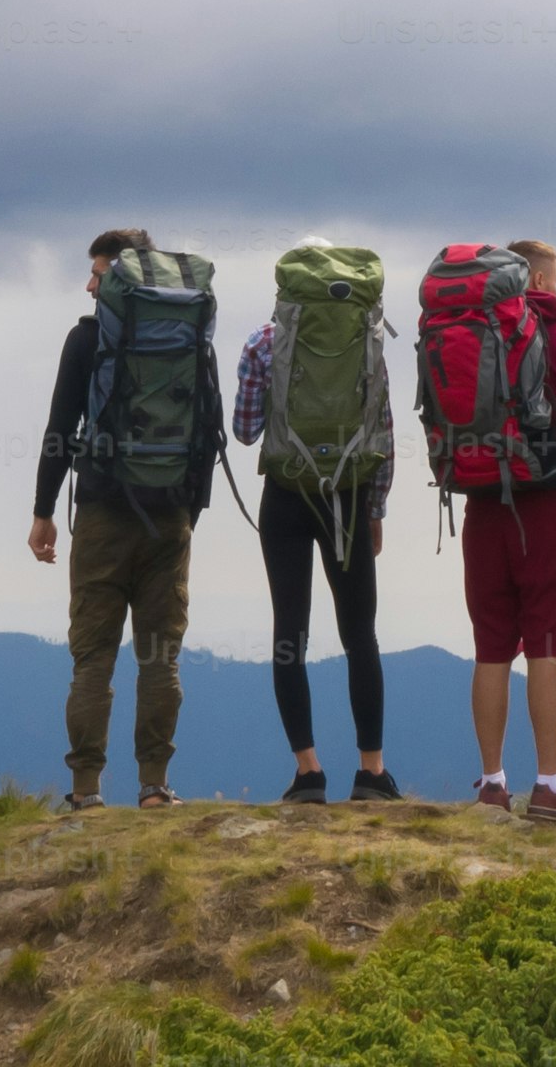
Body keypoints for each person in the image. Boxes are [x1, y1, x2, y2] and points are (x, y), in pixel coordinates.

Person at [30, 228, 220, 809]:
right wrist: (188, 510)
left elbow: (61, 429)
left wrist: (43, 511)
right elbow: (207, 431)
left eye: (97, 272)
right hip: (170, 518)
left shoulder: (87, 340)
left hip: (103, 514)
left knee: (93, 659)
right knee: (160, 660)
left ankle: (85, 792)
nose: (89, 284)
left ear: (119, 278)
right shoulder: (190, 338)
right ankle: (155, 787)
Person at [234, 238, 401, 802]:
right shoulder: (368, 340)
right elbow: (383, 430)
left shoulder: (263, 342)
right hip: (350, 498)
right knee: (361, 635)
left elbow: (245, 428)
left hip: (284, 497)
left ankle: (308, 773)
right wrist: (375, 507)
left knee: (290, 635)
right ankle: (371, 772)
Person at [464, 238, 556, 821]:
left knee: (491, 644)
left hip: (482, 509)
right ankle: (548, 786)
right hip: (548, 510)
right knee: (546, 643)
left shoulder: (468, 339)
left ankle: (491, 784)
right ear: (543, 283)